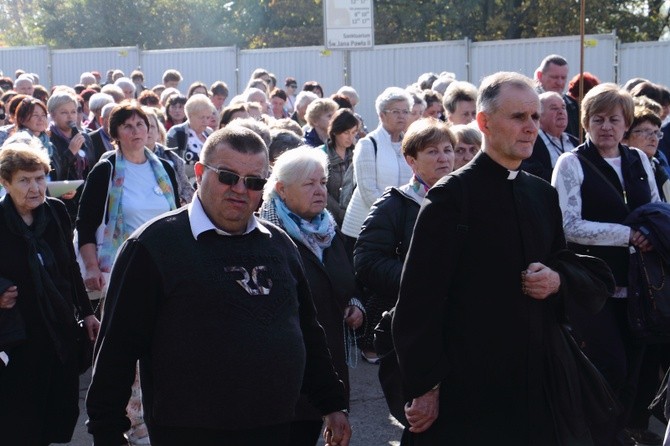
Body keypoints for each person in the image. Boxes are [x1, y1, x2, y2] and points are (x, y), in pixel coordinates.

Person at [86, 126, 351, 446]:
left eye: (253, 182)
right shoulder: (153, 246)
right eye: (227, 176)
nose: (240, 189)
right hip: (189, 432)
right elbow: (116, 350)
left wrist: (332, 404)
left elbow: (309, 331)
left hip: (277, 427)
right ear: (199, 173)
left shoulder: (279, 245)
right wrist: (108, 432)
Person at [393, 72, 602, 444]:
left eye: (534, 117)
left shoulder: (541, 193)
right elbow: (417, 302)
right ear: (484, 122)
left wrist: (556, 279)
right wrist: (425, 385)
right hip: (470, 382)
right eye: (518, 117)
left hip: (537, 379)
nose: (530, 127)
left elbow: (564, 260)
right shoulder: (452, 197)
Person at [552, 83, 661, 445]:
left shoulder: (640, 160)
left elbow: (658, 210)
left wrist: (651, 233)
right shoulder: (571, 163)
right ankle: (593, 434)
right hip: (593, 285)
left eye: (614, 119)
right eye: (597, 119)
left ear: (626, 122)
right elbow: (568, 225)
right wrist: (627, 234)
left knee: (637, 369)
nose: (606, 127)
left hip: (641, 284)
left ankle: (622, 433)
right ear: (585, 123)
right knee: (608, 366)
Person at [259, 146, 364, 445]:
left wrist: (355, 304)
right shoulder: (266, 236)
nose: (320, 190)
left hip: (326, 366)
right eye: (308, 184)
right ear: (281, 189)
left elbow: (348, 282)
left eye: (322, 182)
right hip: (283, 374)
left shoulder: (328, 230)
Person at [0, 142, 99, 444]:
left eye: (40, 178)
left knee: (54, 414)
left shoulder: (55, 212)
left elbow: (69, 267)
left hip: (57, 330)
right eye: (24, 180)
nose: (35, 188)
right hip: (17, 336)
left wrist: (87, 312)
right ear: (5, 183)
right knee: (18, 419)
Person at [354, 118, 455, 364]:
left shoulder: (464, 199)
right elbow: (366, 261)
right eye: (432, 151)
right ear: (411, 160)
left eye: (447, 150)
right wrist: (417, 279)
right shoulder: (395, 204)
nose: (443, 158)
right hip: (411, 318)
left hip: (457, 318)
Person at [76, 103, 179, 298]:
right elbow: (86, 224)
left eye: (140, 124)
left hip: (163, 264)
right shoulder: (105, 170)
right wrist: (91, 267)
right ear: (115, 133)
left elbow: (177, 217)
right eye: (127, 126)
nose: (136, 131)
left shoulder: (165, 169)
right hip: (121, 266)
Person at [341, 87, 413, 243]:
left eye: (406, 111)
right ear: (382, 115)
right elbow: (368, 191)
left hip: (398, 230)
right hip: (364, 228)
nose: (402, 116)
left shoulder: (411, 145)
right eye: (395, 111)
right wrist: (396, 217)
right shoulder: (368, 144)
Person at [47, 90, 96, 222]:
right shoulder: (48, 139)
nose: (70, 117)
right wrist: (70, 152)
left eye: (73, 112)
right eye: (64, 112)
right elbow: (53, 172)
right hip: (63, 201)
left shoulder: (84, 136)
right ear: (52, 115)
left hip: (85, 199)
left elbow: (91, 167)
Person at [521, 91, 578, 182]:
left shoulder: (575, 142)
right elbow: (534, 174)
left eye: (563, 107)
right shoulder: (530, 142)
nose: (561, 112)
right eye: (554, 108)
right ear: (539, 115)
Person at [143, 106, 194, 206]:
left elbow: (188, 189)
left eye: (152, 126)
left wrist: (182, 201)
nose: (148, 130)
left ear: (158, 132)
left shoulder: (172, 158)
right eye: (144, 125)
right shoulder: (125, 159)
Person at [318, 108, 359, 226]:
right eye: (346, 132)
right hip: (326, 219)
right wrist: (341, 213)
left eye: (354, 132)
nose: (350, 137)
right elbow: (321, 189)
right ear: (335, 131)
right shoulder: (321, 155)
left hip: (353, 219)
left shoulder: (358, 155)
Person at [166, 93, 216, 172]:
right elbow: (172, 165)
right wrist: (203, 169)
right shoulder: (176, 133)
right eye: (201, 117)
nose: (205, 121)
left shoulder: (210, 133)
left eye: (208, 117)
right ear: (190, 115)